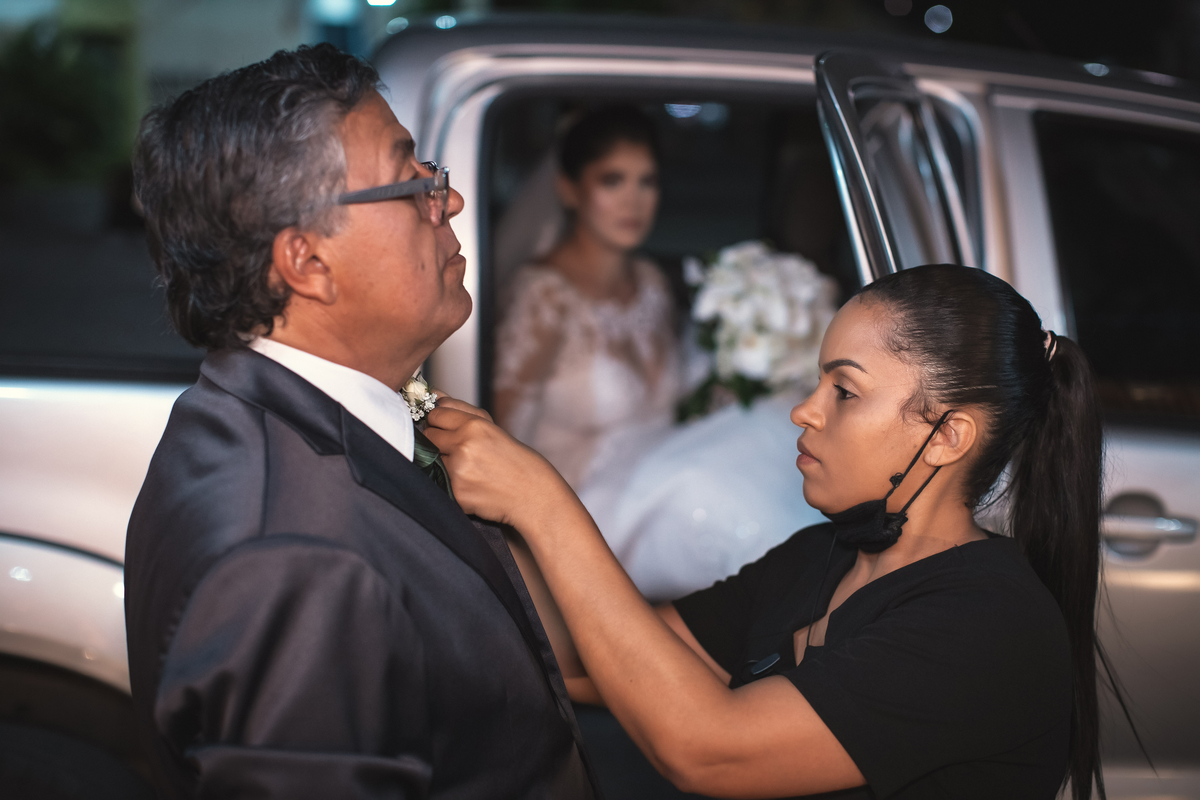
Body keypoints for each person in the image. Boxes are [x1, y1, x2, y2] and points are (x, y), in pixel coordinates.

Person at [429, 264, 1111, 799]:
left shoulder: (987, 622)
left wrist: (545, 503)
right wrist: (485, 510)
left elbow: (707, 749)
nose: (803, 412)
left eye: (844, 392)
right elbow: (603, 659)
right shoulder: (824, 556)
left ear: (946, 435)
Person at [124, 45, 598, 800]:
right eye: (412, 183)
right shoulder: (291, 556)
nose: (449, 202)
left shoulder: (246, 411)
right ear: (306, 262)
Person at [493, 106, 827, 599]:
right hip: (585, 508)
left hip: (661, 467)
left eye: (647, 182)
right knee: (742, 520)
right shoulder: (541, 297)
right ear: (569, 189)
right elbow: (505, 444)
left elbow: (671, 399)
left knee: (778, 429)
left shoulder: (651, 284)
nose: (634, 201)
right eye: (613, 181)